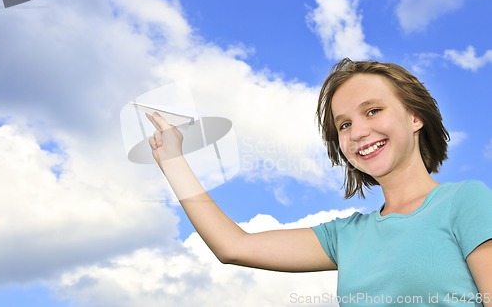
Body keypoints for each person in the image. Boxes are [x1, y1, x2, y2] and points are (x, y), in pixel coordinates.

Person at [146, 58, 492, 306]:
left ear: (414, 117)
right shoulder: (345, 237)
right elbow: (233, 246)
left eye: (373, 111)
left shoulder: (466, 202)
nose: (358, 131)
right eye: (343, 125)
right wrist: (173, 161)